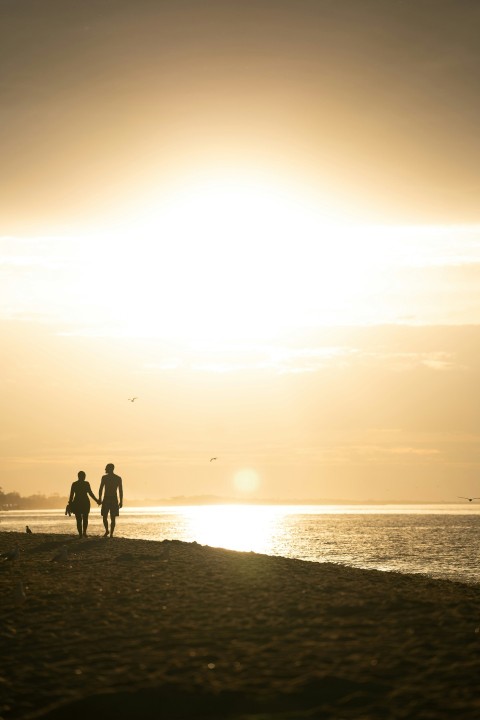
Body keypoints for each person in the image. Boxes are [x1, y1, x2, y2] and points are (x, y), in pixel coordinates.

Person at [68, 471, 100, 538]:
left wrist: (70, 503)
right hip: (84, 502)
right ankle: (83, 533)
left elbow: (71, 495)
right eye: (84, 476)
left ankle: (81, 534)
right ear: (80, 476)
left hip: (77, 502)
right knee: (84, 518)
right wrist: (97, 500)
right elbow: (90, 493)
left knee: (79, 519)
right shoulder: (85, 484)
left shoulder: (75, 484)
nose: (84, 477)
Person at [99, 463, 123, 538]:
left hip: (111, 498)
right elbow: (101, 488)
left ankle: (110, 533)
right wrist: (100, 498)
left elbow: (120, 490)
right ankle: (108, 531)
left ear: (110, 469)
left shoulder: (116, 478)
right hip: (109, 498)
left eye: (106, 468)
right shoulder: (106, 478)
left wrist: (121, 501)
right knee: (106, 516)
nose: (105, 469)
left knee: (111, 517)